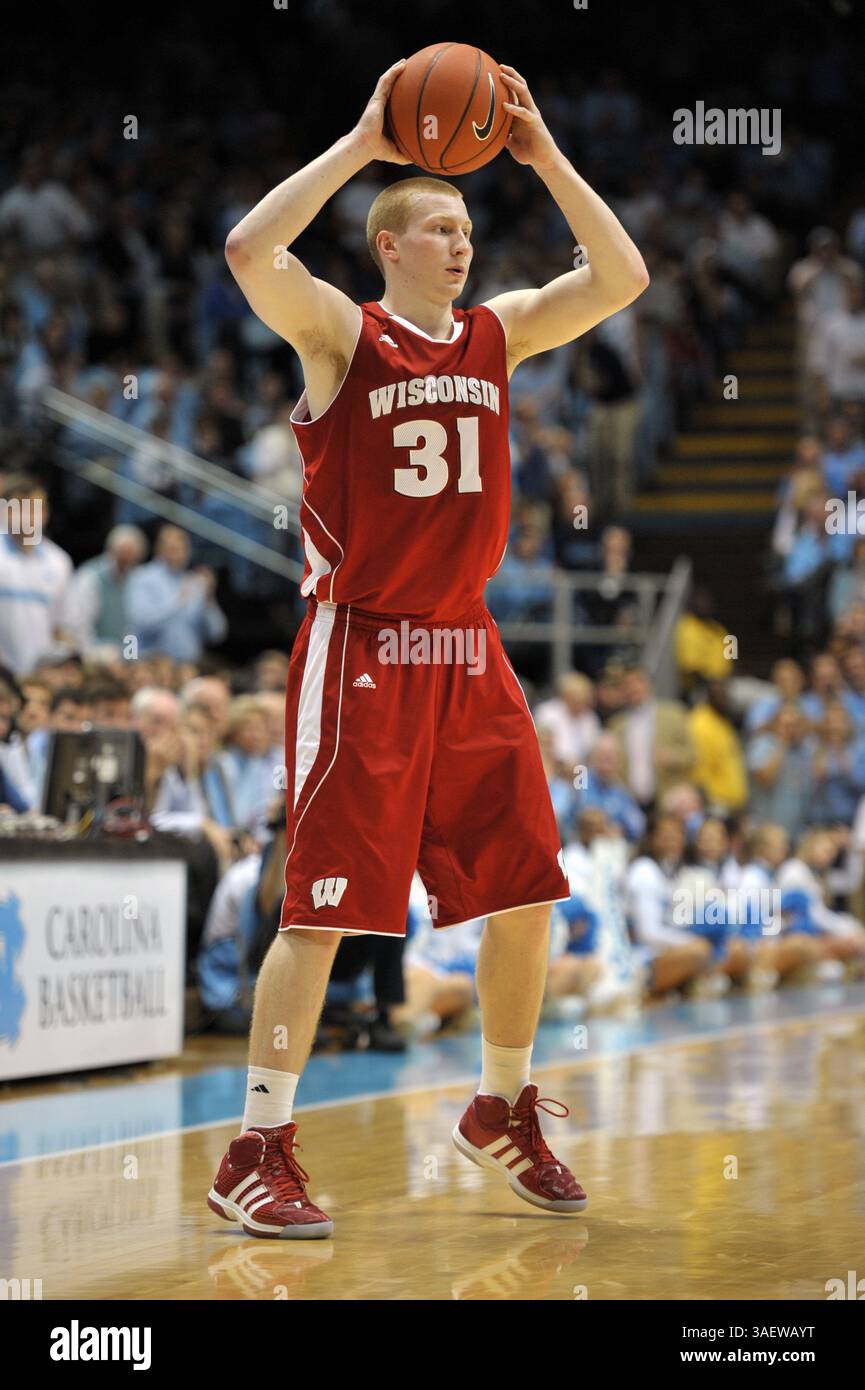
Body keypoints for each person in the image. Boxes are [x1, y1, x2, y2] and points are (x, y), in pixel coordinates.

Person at [208, 58, 649, 1238]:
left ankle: (501, 1104)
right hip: (361, 645)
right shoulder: (342, 337)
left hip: (466, 644)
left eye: (467, 228)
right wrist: (363, 141)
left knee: (527, 883)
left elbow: (622, 275)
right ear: (389, 246)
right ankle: (256, 1139)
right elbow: (251, 252)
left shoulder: (499, 333)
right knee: (325, 907)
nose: (463, 245)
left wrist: (543, 154)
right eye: (442, 229)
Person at [126, 525, 228, 663]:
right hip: (151, 664)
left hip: (187, 665)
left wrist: (209, 599)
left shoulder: (194, 581)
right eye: (173, 548)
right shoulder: (142, 577)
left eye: (183, 548)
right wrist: (177, 603)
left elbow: (217, 634)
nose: (179, 554)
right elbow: (140, 623)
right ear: (159, 549)